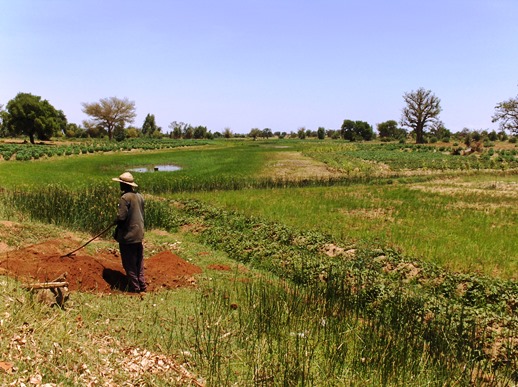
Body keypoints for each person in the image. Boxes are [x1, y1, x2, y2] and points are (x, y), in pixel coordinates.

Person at [111, 172, 147, 293]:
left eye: (120, 184)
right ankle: (142, 285)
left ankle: (135, 288)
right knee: (138, 262)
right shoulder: (139, 196)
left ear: (123, 185)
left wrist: (115, 223)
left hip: (128, 236)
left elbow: (121, 217)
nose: (120, 186)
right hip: (139, 234)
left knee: (129, 263)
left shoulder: (125, 198)